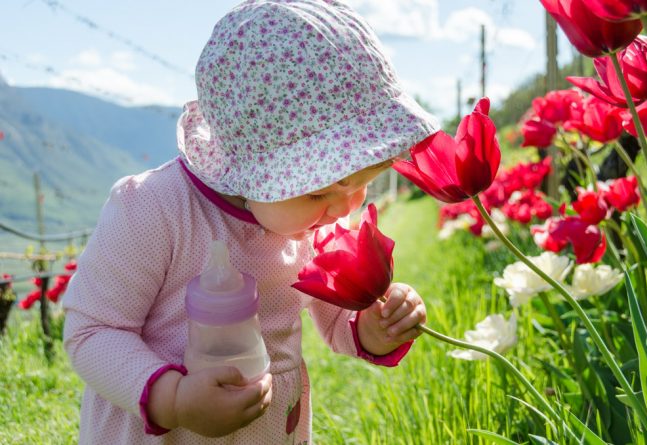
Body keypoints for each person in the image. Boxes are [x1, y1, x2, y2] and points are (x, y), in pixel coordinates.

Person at [63, 0, 440, 443]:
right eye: (318, 190)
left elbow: (339, 323)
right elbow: (93, 331)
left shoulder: (310, 225)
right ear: (248, 168)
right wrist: (175, 398)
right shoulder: (153, 210)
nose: (343, 208)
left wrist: (376, 328)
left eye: (362, 185)